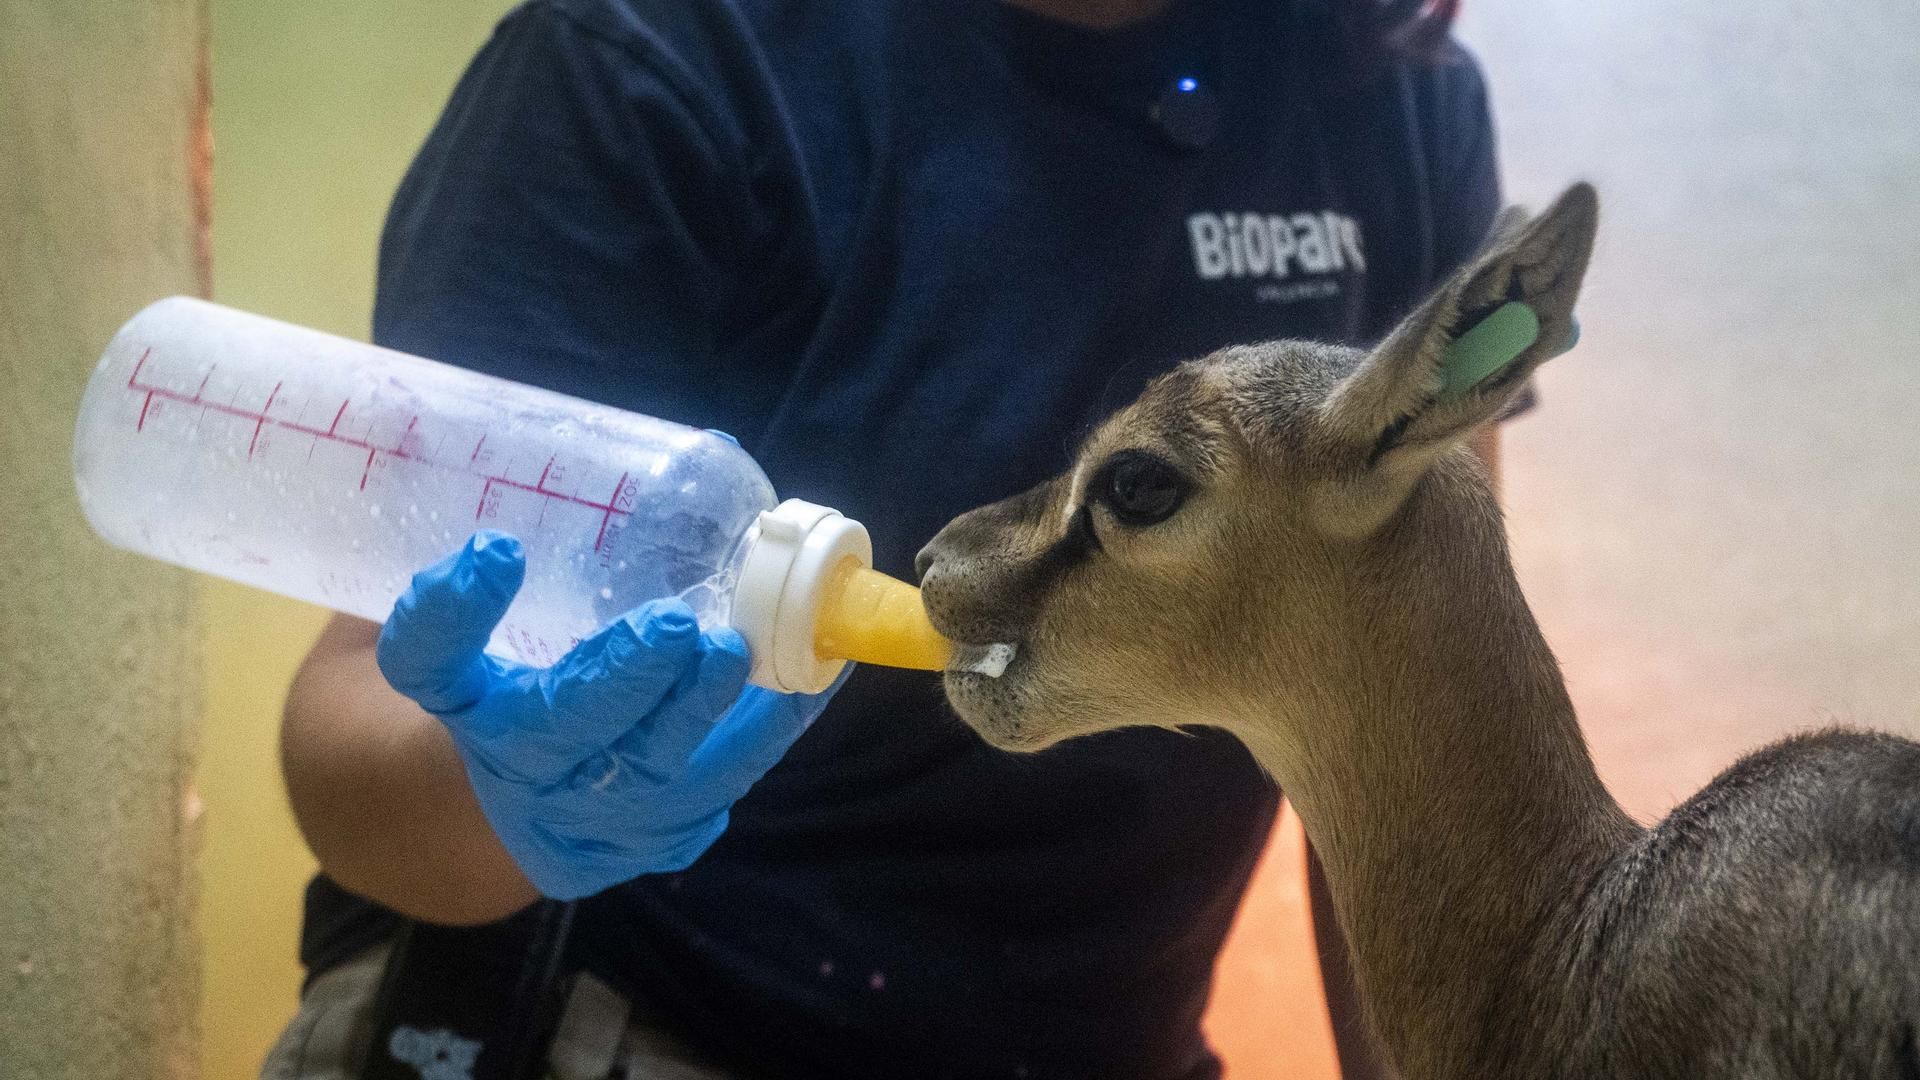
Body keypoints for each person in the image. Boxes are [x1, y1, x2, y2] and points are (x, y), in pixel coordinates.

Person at [270, 0, 1502, 1077]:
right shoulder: (652, 63)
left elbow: (1412, 733)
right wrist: (502, 796)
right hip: (633, 1023)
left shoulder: (1389, 88)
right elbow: (350, 733)